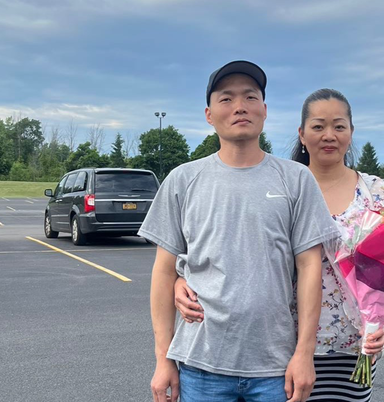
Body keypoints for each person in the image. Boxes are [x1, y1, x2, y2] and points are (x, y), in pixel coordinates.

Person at [142, 60, 338, 402]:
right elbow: (163, 271)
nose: (239, 107)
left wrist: (304, 354)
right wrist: (163, 359)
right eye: (226, 98)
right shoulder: (183, 180)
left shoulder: (296, 179)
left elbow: (310, 266)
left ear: (264, 110)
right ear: (209, 114)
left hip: (276, 367)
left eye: (250, 96)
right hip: (200, 365)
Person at [176, 88, 384, 401]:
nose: (329, 135)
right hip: (282, 343)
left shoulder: (373, 191)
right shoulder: (283, 182)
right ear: (302, 134)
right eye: (318, 126)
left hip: (353, 339)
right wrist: (181, 279)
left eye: (339, 126)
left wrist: (380, 320)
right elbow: (235, 248)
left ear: (351, 132)